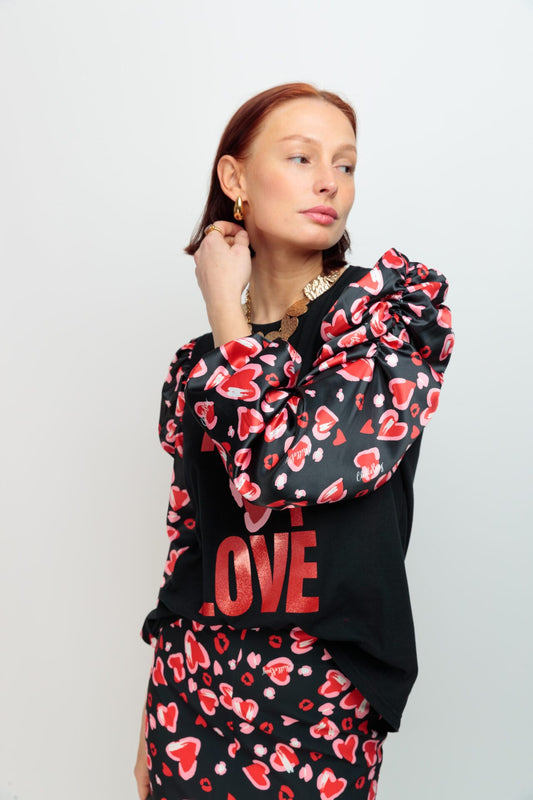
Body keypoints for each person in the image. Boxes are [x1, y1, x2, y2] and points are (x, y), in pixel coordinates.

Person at [134, 83, 454, 800]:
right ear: (235, 178)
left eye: (345, 164)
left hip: (323, 688)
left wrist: (224, 309)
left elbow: (277, 468)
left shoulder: (383, 317)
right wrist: (151, 717)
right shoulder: (199, 364)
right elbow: (190, 540)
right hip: (192, 686)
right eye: (302, 157)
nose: (329, 182)